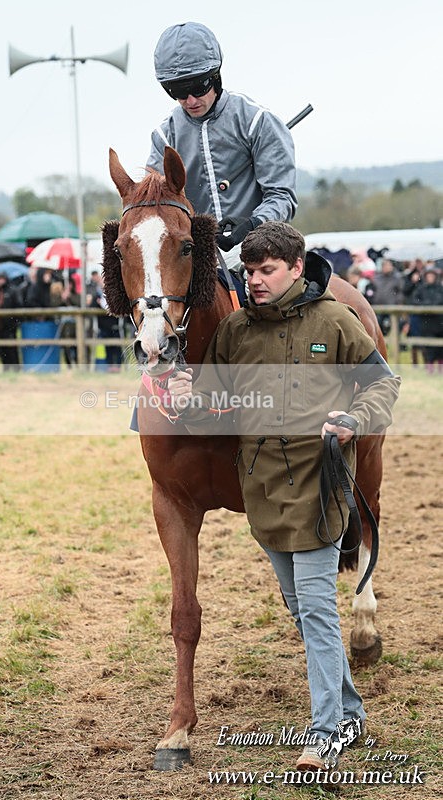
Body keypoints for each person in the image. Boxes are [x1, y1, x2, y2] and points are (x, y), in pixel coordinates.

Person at [168, 222, 400, 772]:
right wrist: (186, 396)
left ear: (297, 268)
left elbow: (383, 383)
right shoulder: (237, 333)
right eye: (249, 272)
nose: (255, 282)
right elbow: (212, 410)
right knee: (302, 610)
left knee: (317, 609)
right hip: (265, 495)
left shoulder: (336, 321)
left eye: (267, 271)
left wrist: (355, 420)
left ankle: (326, 735)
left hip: (320, 488)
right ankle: (349, 710)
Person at [147, 22, 297, 268]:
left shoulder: (257, 121)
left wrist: (252, 224)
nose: (191, 100)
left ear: (216, 76)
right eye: (178, 91)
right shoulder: (164, 137)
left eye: (198, 87)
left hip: (263, 251)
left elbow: (282, 196)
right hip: (196, 258)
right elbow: (157, 207)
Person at [411, 266, 443, 373]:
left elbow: (440, 300)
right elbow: (414, 300)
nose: (430, 278)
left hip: (439, 322)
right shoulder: (421, 289)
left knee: (440, 347)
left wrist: (434, 305)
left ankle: (440, 368)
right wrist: (425, 306)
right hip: (426, 322)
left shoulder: (440, 288)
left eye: (432, 276)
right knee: (428, 346)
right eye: (428, 276)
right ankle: (429, 368)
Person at [0, 271, 20, 371]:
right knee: (2, 348)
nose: (0, 281)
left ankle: (16, 367)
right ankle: (5, 367)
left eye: (2, 279)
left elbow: (18, 304)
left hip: (10, 325)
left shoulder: (12, 290)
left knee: (11, 348)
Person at [371, 258, 403, 336]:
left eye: (387, 265)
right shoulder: (377, 278)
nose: (385, 267)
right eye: (384, 265)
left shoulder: (397, 277)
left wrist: (398, 303)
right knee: (378, 328)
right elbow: (373, 290)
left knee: (394, 328)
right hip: (378, 307)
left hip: (392, 308)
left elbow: (400, 292)